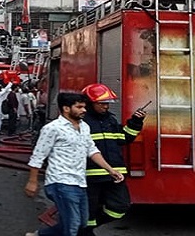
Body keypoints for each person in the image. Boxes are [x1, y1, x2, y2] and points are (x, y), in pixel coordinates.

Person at [24, 93, 125, 236]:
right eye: (79, 107)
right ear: (66, 108)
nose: (84, 110)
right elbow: (38, 156)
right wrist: (32, 181)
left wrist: (110, 170)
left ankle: (40, 235)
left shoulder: (84, 127)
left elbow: (92, 150)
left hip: (80, 182)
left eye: (84, 106)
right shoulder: (52, 128)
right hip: (60, 182)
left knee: (82, 223)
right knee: (72, 226)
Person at [80, 83, 146, 236]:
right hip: (91, 176)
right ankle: (85, 232)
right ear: (90, 103)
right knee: (89, 211)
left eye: (108, 104)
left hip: (114, 174)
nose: (106, 107)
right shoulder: (82, 123)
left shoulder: (110, 120)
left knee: (120, 206)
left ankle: (86, 229)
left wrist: (136, 121)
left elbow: (124, 138)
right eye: (102, 103)